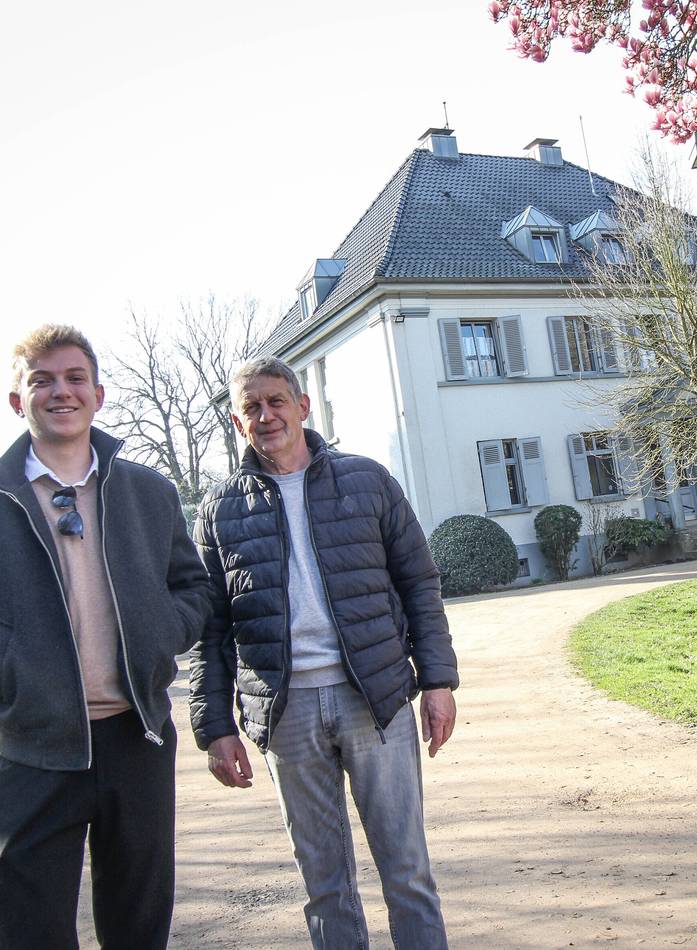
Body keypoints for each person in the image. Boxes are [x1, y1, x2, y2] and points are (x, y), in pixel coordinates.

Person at [190, 355, 459, 949]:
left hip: (375, 700)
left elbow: (419, 583)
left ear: (302, 406)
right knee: (324, 884)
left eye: (276, 401)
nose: (266, 416)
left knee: (407, 871)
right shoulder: (219, 510)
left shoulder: (368, 481)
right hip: (286, 715)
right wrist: (215, 728)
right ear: (237, 423)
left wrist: (437, 681)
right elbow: (211, 628)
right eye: (251, 408)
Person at [0, 324, 211, 950]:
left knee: (138, 925)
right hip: (29, 746)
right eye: (41, 380)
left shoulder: (150, 492)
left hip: (137, 737)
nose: (60, 392)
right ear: (16, 399)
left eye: (75, 378)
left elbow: (192, 587)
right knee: (30, 930)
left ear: (98, 394)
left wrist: (160, 632)